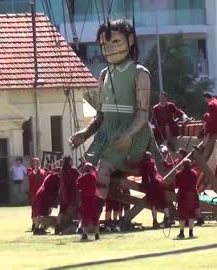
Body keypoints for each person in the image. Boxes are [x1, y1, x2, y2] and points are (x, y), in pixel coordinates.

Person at [69, 20, 164, 201]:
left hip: (133, 134)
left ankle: (94, 209)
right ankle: (81, 209)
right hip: (106, 133)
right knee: (85, 168)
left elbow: (143, 115)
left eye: (116, 42)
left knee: (104, 169)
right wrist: (85, 133)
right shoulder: (104, 74)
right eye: (104, 44)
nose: (109, 48)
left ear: (130, 41)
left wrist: (128, 134)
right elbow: (100, 116)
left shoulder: (140, 73)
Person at [139, 152, 170, 228]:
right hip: (160, 182)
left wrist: (144, 185)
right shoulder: (153, 162)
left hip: (153, 184)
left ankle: (155, 221)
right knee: (163, 202)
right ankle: (167, 218)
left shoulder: (146, 165)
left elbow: (146, 176)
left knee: (153, 204)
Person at [32, 165, 62, 235]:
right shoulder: (55, 176)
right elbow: (57, 189)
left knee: (44, 212)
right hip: (45, 195)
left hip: (42, 194)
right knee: (43, 213)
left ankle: (40, 228)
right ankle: (37, 227)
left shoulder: (51, 176)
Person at [175, 159, 200, 239]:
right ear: (190, 164)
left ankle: (181, 233)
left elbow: (176, 185)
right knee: (191, 214)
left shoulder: (179, 174)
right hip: (192, 194)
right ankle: (191, 233)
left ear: (183, 165)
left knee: (182, 215)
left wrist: (177, 175)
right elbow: (195, 183)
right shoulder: (194, 173)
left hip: (182, 195)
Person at [77, 163, 101, 240]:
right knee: (95, 217)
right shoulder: (93, 176)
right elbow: (94, 172)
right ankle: (97, 234)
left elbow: (78, 185)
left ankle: (85, 234)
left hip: (85, 200)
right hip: (93, 199)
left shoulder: (82, 178)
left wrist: (81, 176)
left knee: (85, 217)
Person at [57, 155, 81, 233]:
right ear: (68, 161)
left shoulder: (61, 171)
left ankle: (58, 227)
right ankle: (65, 227)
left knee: (62, 211)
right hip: (71, 193)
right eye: (71, 160)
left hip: (63, 194)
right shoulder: (74, 170)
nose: (72, 161)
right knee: (69, 210)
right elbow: (81, 177)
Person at [202, 92, 217, 161]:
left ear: (206, 98)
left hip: (216, 125)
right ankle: (203, 146)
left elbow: (211, 118)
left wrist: (206, 126)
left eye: (205, 100)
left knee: (206, 132)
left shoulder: (211, 104)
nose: (205, 101)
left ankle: (203, 147)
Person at [27, 157, 46, 231]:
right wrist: (35, 170)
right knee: (34, 210)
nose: (36, 164)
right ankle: (34, 225)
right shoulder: (31, 172)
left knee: (42, 210)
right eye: (35, 162)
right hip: (34, 194)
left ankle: (42, 225)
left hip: (42, 194)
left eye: (37, 162)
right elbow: (31, 177)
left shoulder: (43, 172)